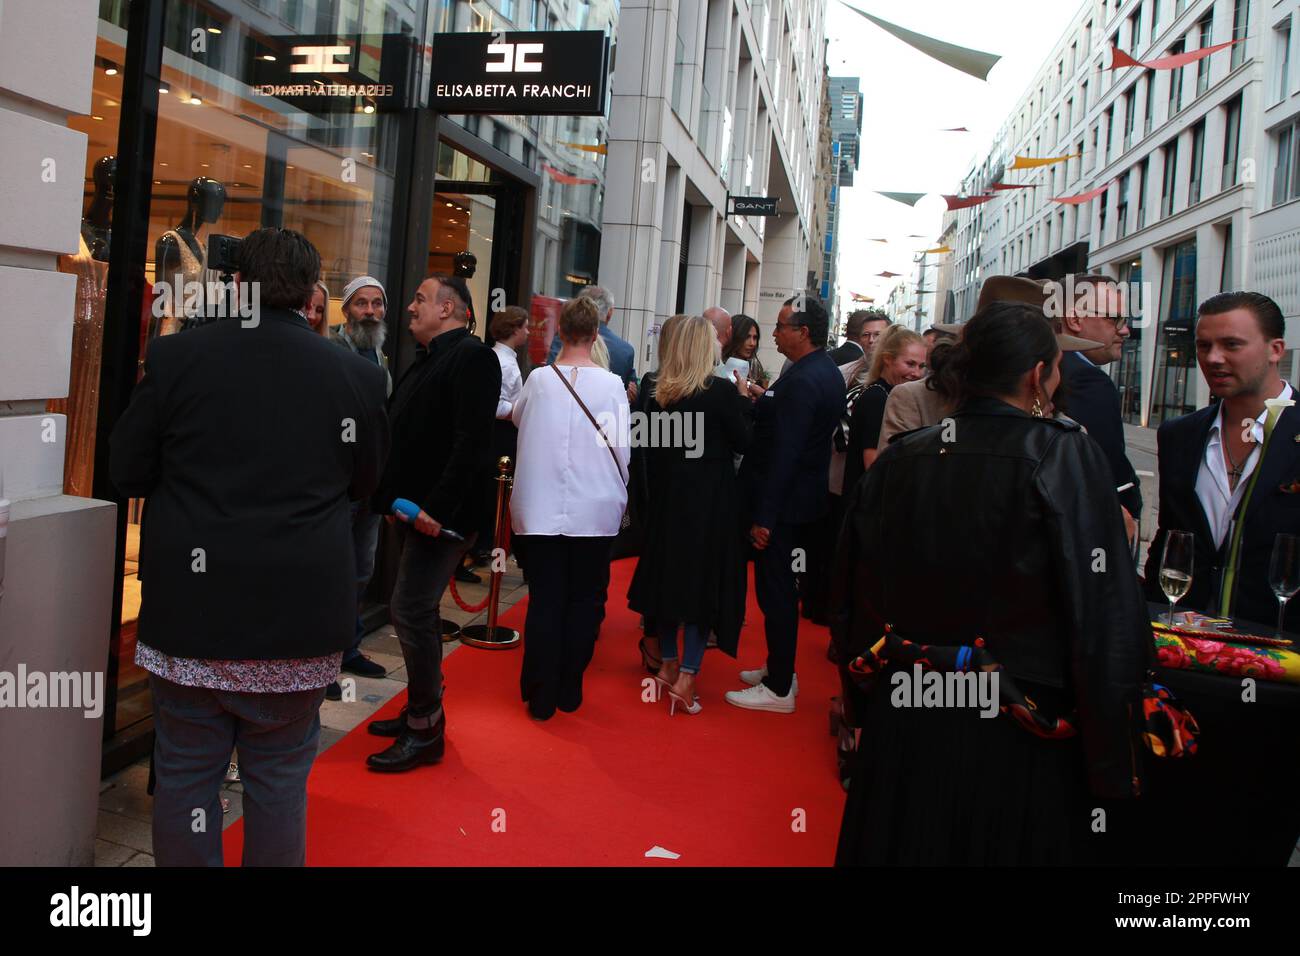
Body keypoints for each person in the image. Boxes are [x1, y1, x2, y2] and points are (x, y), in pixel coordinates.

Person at [830, 300, 1148, 865]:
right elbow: (1104, 611)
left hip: (913, 715)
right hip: (1019, 725)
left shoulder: (905, 458)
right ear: (1037, 375)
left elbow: (856, 593)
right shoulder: (1063, 452)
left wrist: (862, 701)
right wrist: (1112, 758)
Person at [109, 227, 390, 866]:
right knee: (279, 783)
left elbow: (127, 468)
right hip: (297, 618)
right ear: (312, 295)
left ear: (237, 283)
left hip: (192, 615)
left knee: (185, 777)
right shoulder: (354, 375)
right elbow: (367, 482)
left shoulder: (181, 358)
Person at [365, 274, 500, 772]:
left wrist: (436, 511)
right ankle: (420, 710)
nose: (410, 306)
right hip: (412, 511)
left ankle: (426, 727)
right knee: (410, 611)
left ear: (448, 309)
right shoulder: (429, 359)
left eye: (420, 298)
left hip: (437, 518)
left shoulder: (472, 357)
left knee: (410, 611)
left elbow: (471, 445)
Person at [1144, 291, 1296, 630]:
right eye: (1203, 346)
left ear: (1275, 350)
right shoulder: (1178, 435)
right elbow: (1169, 538)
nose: (1213, 358)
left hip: (1282, 653)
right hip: (1183, 644)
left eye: (1231, 344)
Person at [512, 295, 630, 720]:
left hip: (541, 507)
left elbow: (519, 420)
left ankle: (541, 692)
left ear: (560, 332)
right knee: (584, 600)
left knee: (545, 599)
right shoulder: (613, 385)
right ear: (596, 334)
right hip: (594, 509)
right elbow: (622, 448)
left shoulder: (540, 380)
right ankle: (569, 686)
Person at [628, 316, 753, 715]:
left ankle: (666, 664)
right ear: (706, 348)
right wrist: (747, 401)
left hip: (668, 503)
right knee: (701, 588)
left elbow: (644, 447)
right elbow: (744, 441)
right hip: (709, 506)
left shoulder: (657, 393)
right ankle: (686, 677)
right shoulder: (719, 392)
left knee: (668, 582)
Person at [726, 294, 844, 713]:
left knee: (776, 593)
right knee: (779, 592)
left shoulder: (808, 378)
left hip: (785, 506)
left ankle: (778, 686)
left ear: (804, 332)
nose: (773, 333)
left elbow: (786, 454)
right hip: (800, 501)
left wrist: (765, 518)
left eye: (780, 326)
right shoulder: (818, 371)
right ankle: (780, 669)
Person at [326, 276, 394, 697]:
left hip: (369, 482)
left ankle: (347, 648)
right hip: (339, 483)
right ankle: (323, 662)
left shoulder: (378, 354)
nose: (370, 311)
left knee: (359, 570)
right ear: (346, 311)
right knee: (334, 571)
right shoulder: (333, 352)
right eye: (361, 304)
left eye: (376, 304)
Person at [1058, 274, 1142, 538]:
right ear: (1074, 320)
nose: (1125, 329)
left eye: (1125, 320)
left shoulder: (1051, 366)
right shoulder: (1086, 379)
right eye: (1113, 318)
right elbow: (1108, 468)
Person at [630, 314, 691, 673]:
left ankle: (657, 636)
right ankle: (654, 638)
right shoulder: (655, 382)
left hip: (674, 490)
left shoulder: (698, 385)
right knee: (657, 564)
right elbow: (641, 441)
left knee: (664, 565)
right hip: (658, 489)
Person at [471, 305, 528, 563]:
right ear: (514, 329)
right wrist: (520, 408)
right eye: (525, 326)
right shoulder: (504, 362)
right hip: (502, 433)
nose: (528, 331)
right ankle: (483, 544)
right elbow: (496, 404)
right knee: (495, 491)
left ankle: (484, 544)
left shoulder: (503, 358)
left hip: (502, 432)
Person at [842, 325, 926, 496]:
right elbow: (873, 464)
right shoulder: (878, 398)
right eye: (910, 364)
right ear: (888, 359)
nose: (916, 373)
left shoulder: (884, 393)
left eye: (921, 366)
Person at [546, 284, 636, 387]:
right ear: (610, 313)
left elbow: (550, 379)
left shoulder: (563, 339)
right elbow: (631, 391)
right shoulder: (625, 351)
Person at [721, 313, 770, 388]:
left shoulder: (755, 367)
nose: (752, 343)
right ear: (734, 336)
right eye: (747, 337)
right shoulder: (719, 364)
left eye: (755, 338)